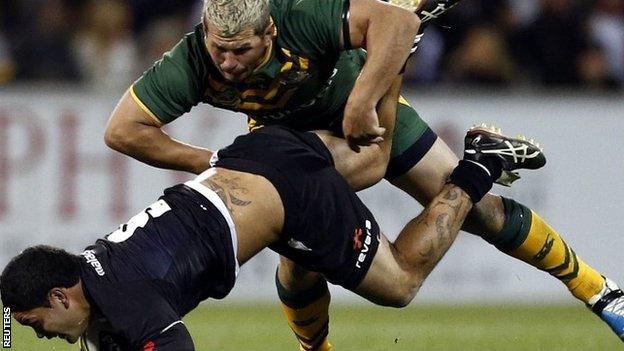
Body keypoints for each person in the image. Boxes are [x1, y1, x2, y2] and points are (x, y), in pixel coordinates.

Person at [102, 0, 623, 348]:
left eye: (242, 51)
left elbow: (398, 22)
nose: (230, 64)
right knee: (300, 260)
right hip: (289, 148)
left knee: (482, 214)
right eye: (220, 49)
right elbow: (124, 130)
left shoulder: (301, 13)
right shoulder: (192, 60)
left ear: (271, 31)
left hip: (361, 112)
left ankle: (599, 291)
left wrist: (361, 101)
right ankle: (481, 160)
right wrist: (206, 161)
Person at [2, 78, 558, 350]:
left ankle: (477, 166)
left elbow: (172, 347)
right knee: (373, 158)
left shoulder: (124, 302)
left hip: (289, 198)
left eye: (36, 327)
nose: (42, 339)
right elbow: (73, 325)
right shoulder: (92, 278)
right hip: (254, 156)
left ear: (59, 296)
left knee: (400, 282)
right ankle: (390, 49)